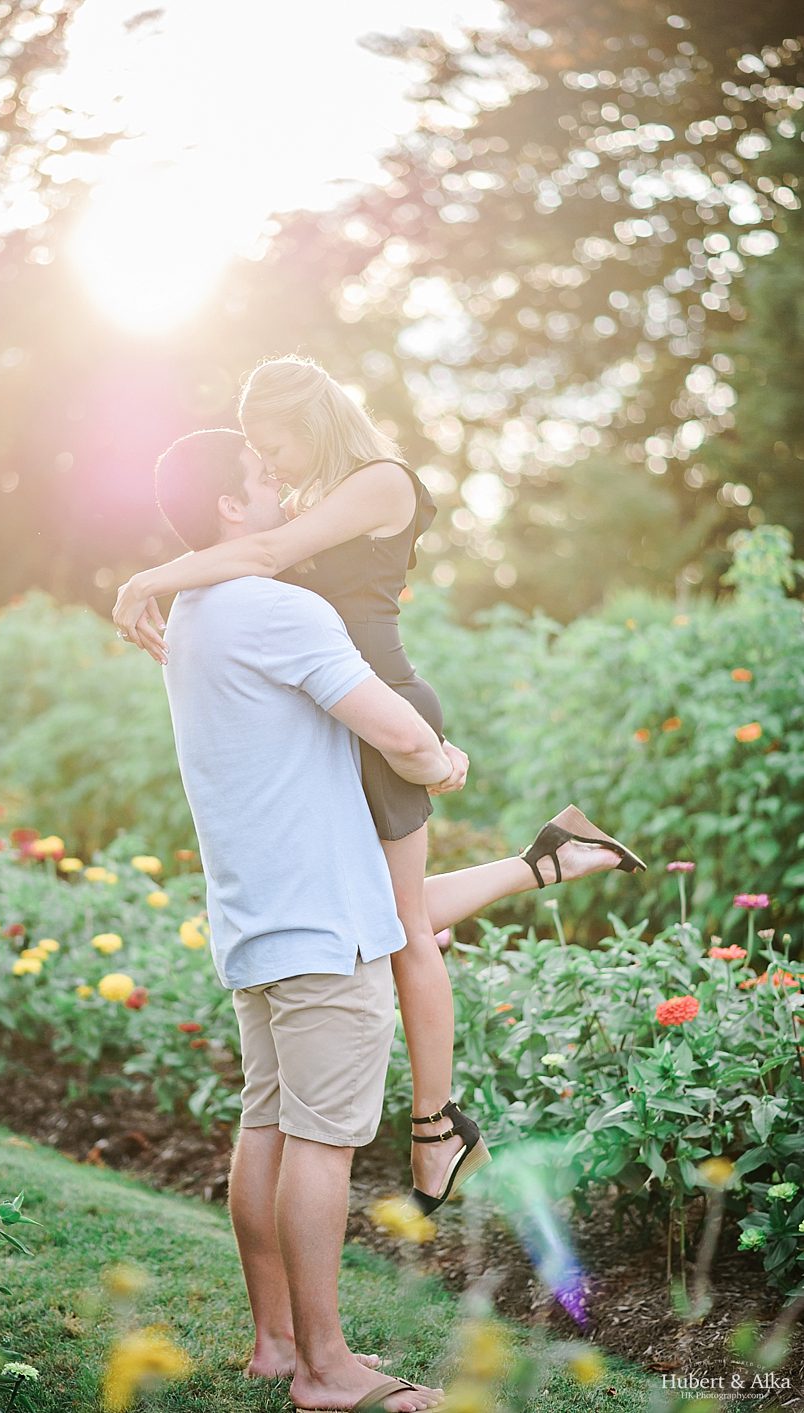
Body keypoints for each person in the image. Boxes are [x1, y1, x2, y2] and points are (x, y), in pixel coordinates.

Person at [113, 356, 646, 1214]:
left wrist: (147, 578)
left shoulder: (380, 481)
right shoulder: (321, 495)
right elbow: (260, 561)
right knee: (379, 911)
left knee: (401, 929)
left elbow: (266, 551)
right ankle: (552, 857)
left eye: (272, 443)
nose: (271, 463)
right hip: (344, 705)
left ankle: (435, 1125)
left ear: (310, 416)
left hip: (380, 697)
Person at [158, 427, 449, 1412]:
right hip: (325, 922)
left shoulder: (193, 609)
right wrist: (444, 765)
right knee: (320, 1144)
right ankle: (327, 1372)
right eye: (262, 476)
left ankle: (276, 1345)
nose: (282, 485)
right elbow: (402, 733)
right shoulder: (278, 609)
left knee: (271, 1127)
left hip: (254, 916)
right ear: (231, 509)